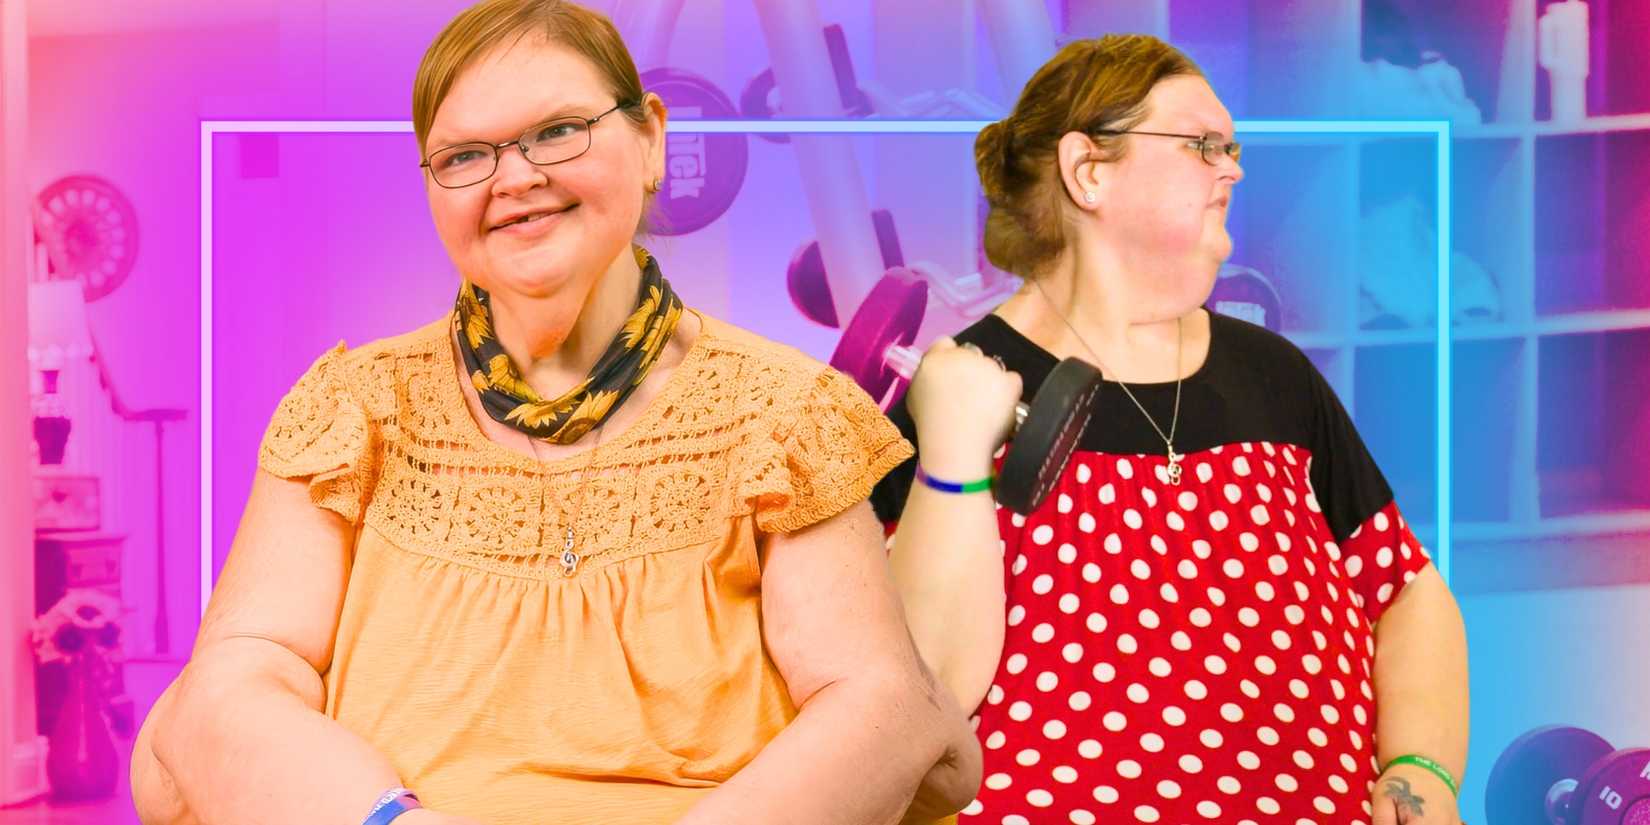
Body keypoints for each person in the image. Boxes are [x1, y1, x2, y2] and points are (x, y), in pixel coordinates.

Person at [130, 1, 981, 823]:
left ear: (650, 137)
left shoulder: (785, 415)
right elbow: (238, 682)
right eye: (465, 155)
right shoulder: (352, 411)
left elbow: (872, 705)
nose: (516, 178)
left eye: (557, 131)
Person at [874, 34, 1469, 825]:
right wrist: (952, 460)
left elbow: (1405, 590)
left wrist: (1417, 773)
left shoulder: (1274, 374)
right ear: (1089, 172)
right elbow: (926, 698)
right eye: (1202, 145)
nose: (1234, 168)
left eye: (1231, 146)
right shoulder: (957, 392)